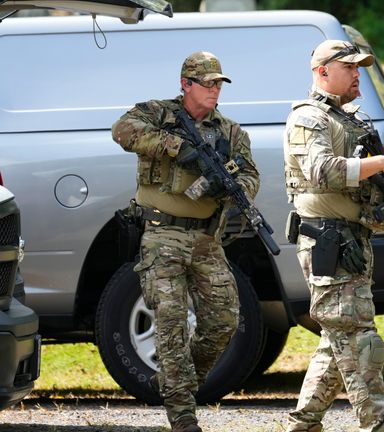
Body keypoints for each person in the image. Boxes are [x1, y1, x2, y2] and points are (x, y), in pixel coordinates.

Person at [283, 40, 384, 432]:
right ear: (322, 72)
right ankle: (379, 425)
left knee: (337, 342)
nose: (358, 75)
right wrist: (381, 161)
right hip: (328, 242)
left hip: (352, 242)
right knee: (359, 341)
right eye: (349, 68)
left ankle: (301, 425)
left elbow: (366, 189)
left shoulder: (349, 119)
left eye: (359, 67)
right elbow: (321, 171)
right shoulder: (307, 118)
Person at [112, 51, 259, 432]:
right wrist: (180, 149)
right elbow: (123, 130)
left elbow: (250, 175)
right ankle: (183, 416)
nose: (214, 91)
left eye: (218, 85)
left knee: (223, 320)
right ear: (186, 84)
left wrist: (232, 187)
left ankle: (178, 383)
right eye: (207, 83)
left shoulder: (230, 132)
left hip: (206, 238)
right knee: (171, 321)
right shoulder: (158, 113)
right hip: (161, 234)